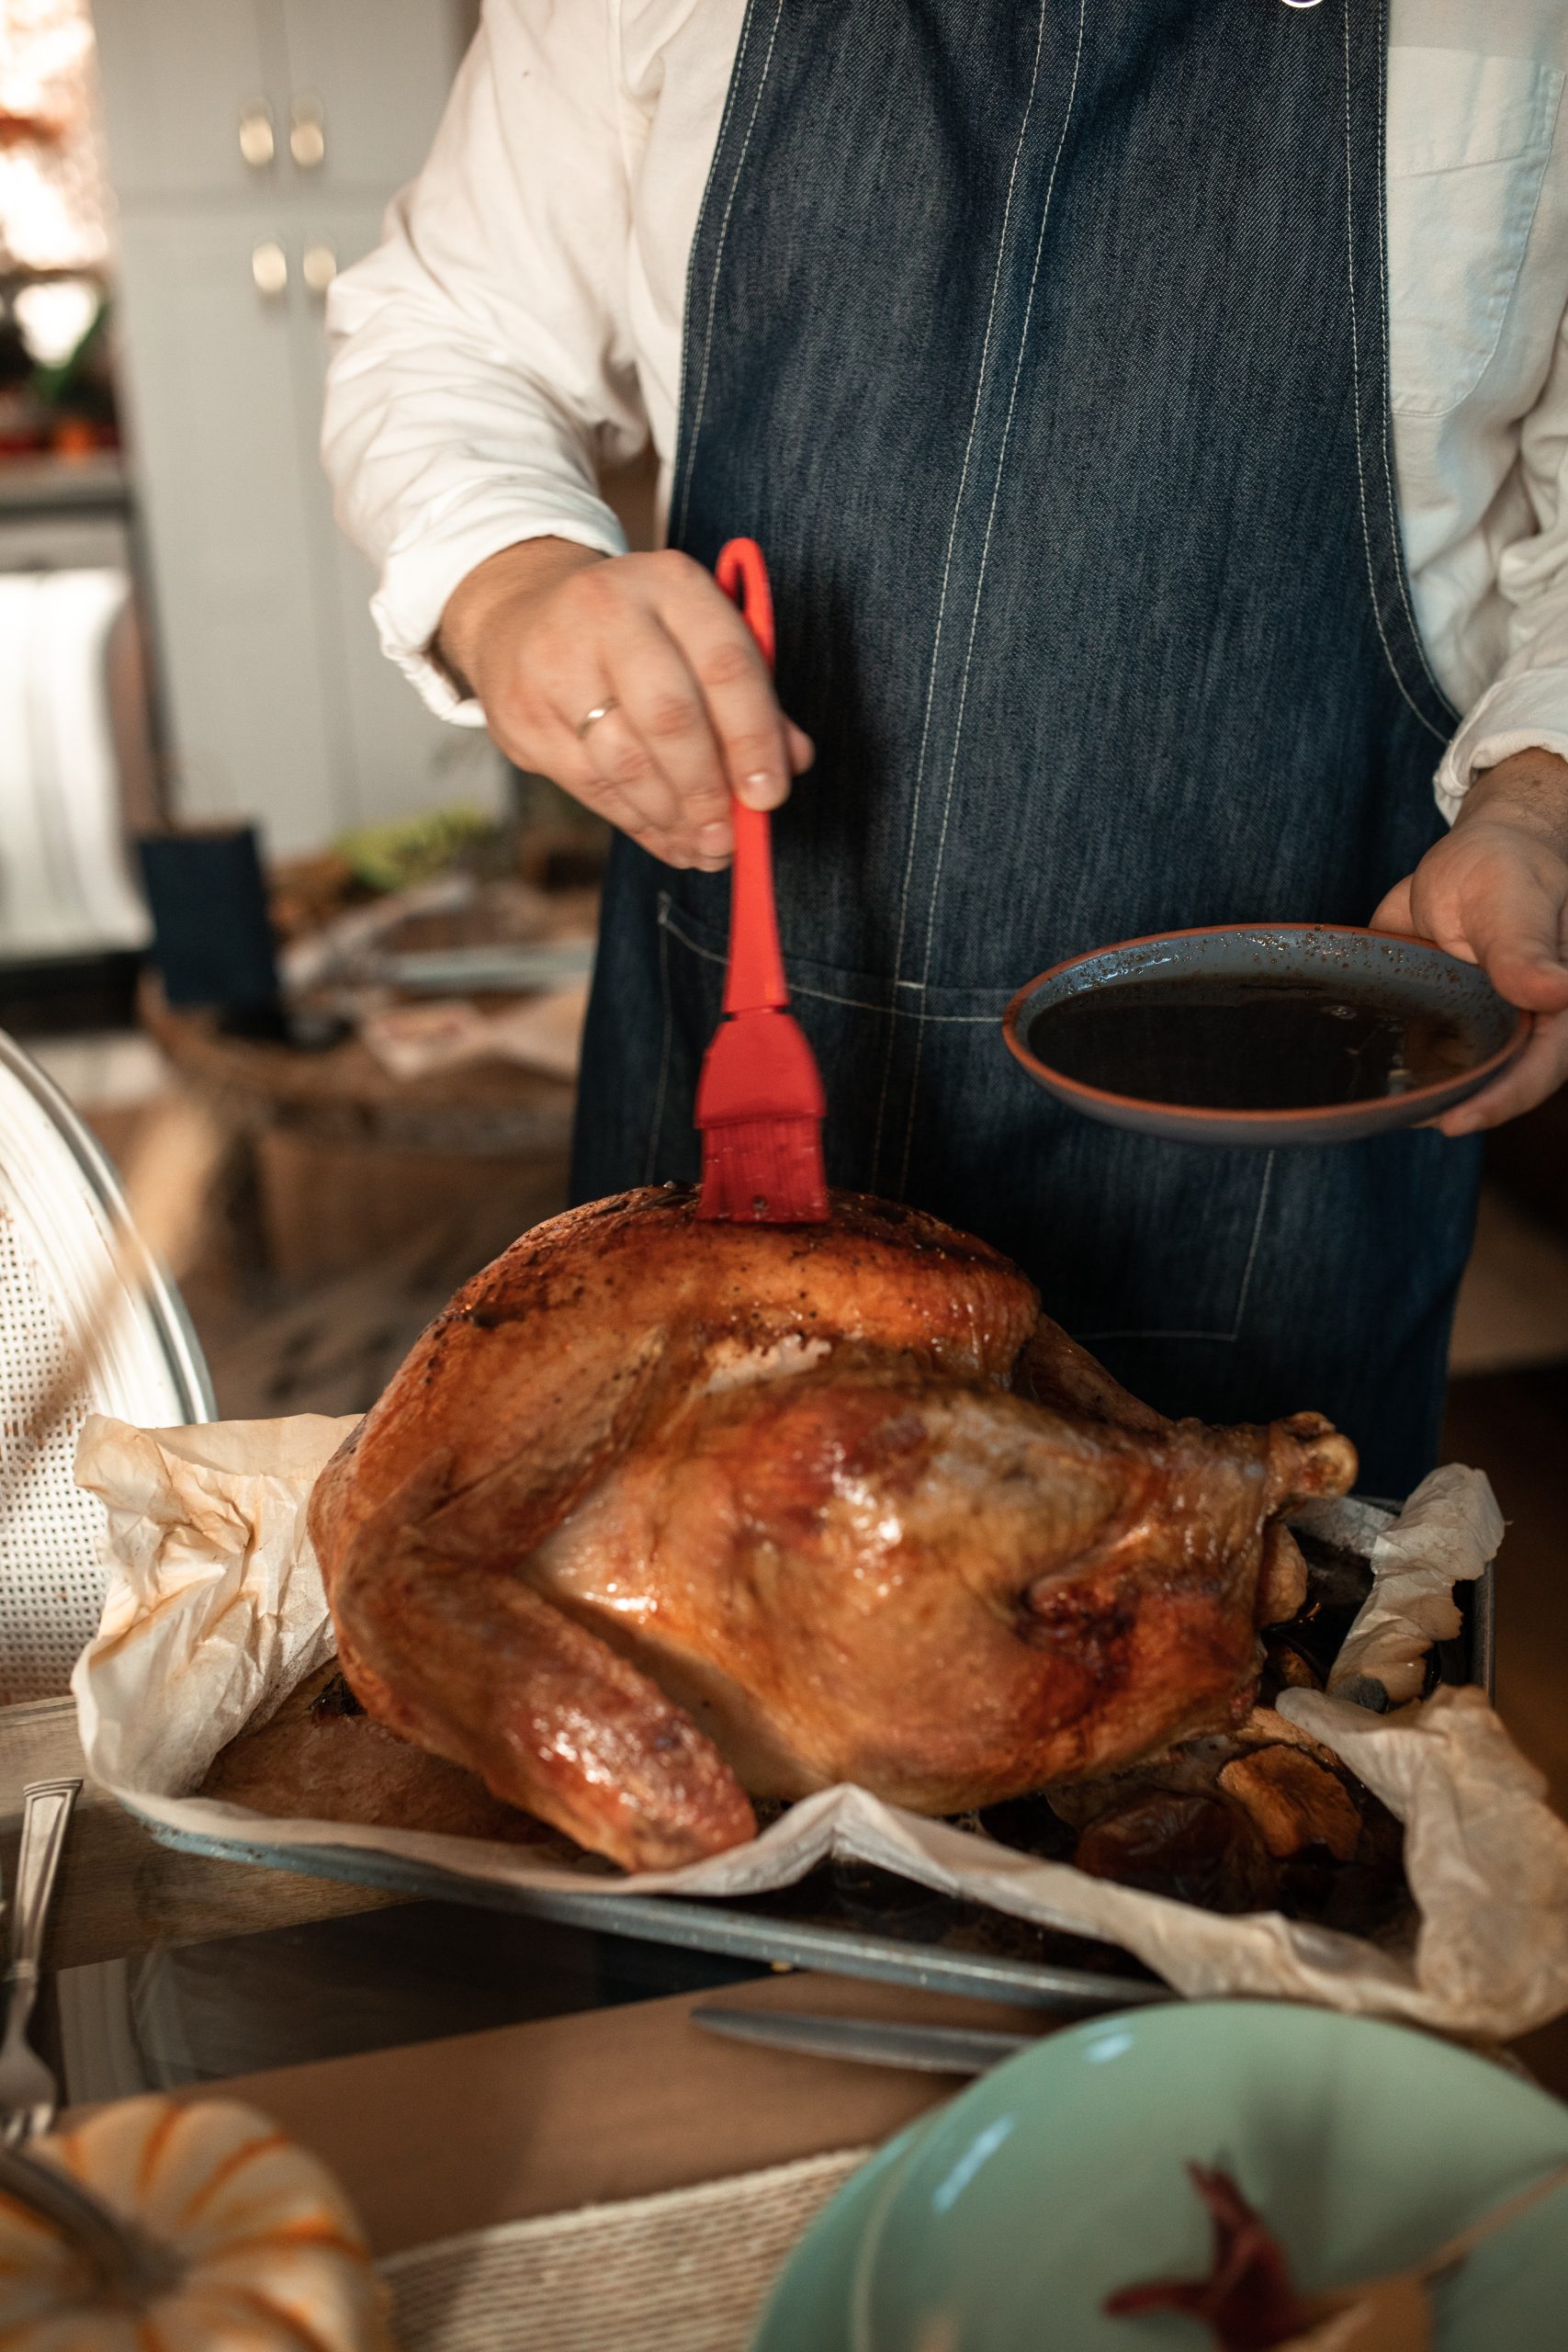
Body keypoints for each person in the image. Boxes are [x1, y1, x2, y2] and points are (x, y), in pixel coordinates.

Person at [322, 1, 1568, 1497]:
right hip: (738, 1061)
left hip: (1270, 1176)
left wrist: (1544, 798)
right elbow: (445, 328)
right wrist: (509, 586)